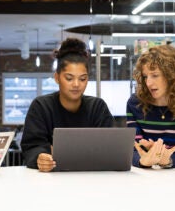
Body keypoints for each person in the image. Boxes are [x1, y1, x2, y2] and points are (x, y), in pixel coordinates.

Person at [21, 38, 114, 172]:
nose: (76, 84)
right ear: (57, 77)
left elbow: (110, 147)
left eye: (82, 78)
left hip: (91, 179)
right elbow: (32, 147)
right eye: (69, 78)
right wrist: (40, 157)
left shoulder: (97, 107)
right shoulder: (41, 106)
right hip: (50, 181)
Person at [127, 44, 175, 169]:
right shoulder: (135, 103)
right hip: (145, 175)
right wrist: (143, 161)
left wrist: (167, 160)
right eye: (145, 76)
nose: (148, 83)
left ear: (172, 75)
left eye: (155, 75)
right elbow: (134, 150)